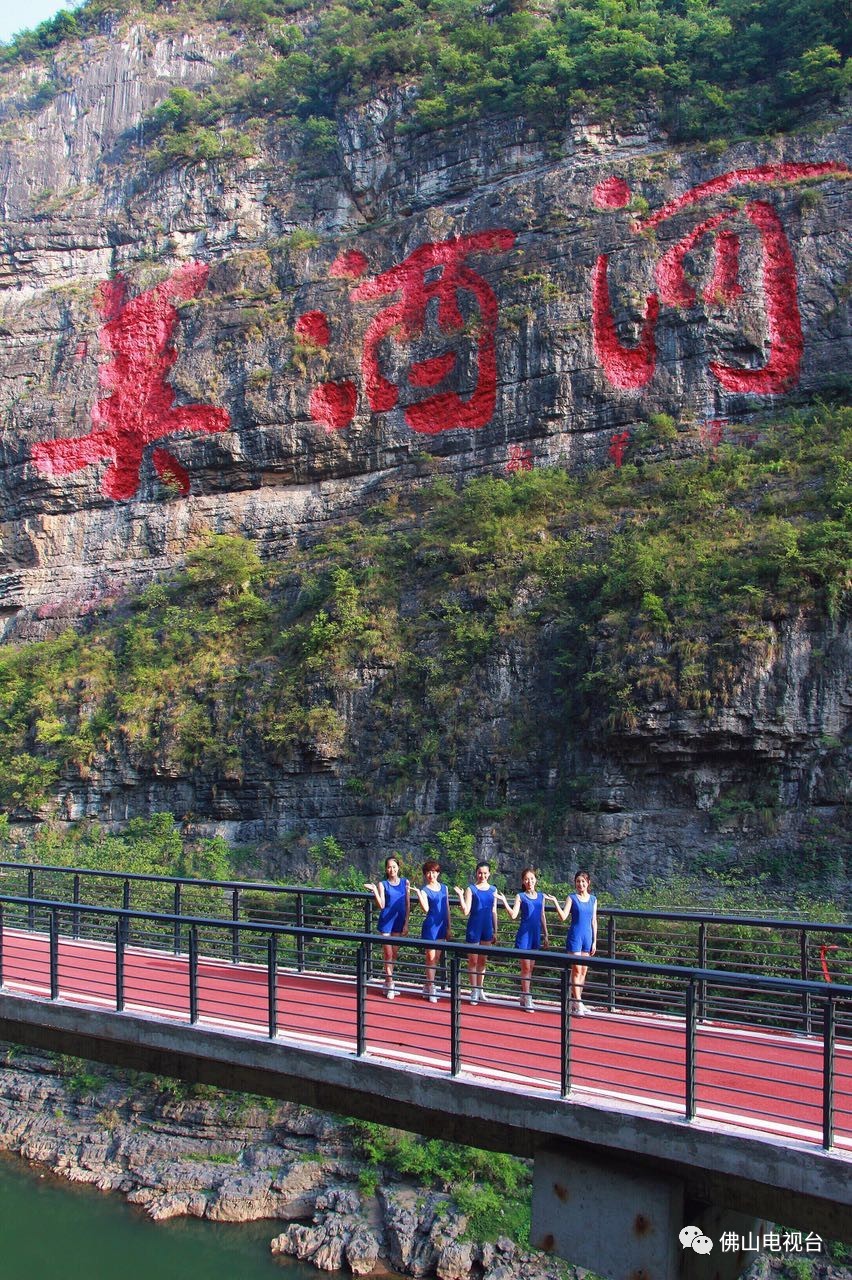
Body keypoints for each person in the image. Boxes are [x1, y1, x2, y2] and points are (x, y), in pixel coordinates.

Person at [547, 870, 597, 1015]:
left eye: (583, 881)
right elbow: (563, 916)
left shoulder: (593, 899)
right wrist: (556, 902)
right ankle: (579, 1003)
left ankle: (575, 1003)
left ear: (588, 883)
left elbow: (594, 920)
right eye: (578, 881)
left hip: (587, 937)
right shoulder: (572, 898)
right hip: (575, 936)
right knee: (576, 970)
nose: (580, 884)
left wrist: (594, 941)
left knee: (583, 971)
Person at [501, 867, 548, 1011]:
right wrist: (504, 900)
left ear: (536, 880)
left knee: (531, 968)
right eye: (527, 879)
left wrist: (546, 934)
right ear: (523, 881)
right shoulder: (520, 896)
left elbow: (542, 915)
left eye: (532, 879)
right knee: (526, 967)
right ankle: (527, 997)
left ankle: (523, 995)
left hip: (535, 934)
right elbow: (514, 915)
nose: (529, 881)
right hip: (524, 935)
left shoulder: (541, 896)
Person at [364, 856, 409, 998]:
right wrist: (375, 891)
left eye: (394, 867)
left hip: (399, 922)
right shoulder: (383, 884)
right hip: (386, 922)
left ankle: (387, 981)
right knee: (388, 954)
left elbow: (407, 904)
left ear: (398, 868)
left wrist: (406, 923)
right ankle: (390, 984)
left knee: (394, 954)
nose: (392, 869)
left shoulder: (405, 883)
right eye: (389, 867)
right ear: (386, 869)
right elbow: (381, 905)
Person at [453, 862, 498, 1003]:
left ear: (489, 874)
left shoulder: (493, 890)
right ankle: (473, 991)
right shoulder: (471, 889)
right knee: (472, 960)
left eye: (485, 873)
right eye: (480, 873)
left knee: (483, 961)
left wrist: (495, 930)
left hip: (487, 927)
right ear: (476, 873)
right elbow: (466, 911)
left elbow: (494, 911)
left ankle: (480, 989)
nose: (482, 875)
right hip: (474, 927)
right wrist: (460, 895)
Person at [409, 859, 451, 1002]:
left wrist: (449, 927)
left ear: (438, 873)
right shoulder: (424, 890)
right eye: (428, 872)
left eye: (433, 872)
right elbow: (426, 909)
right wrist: (419, 895)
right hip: (430, 927)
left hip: (442, 926)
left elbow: (447, 909)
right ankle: (432, 987)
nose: (431, 875)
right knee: (430, 957)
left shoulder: (444, 888)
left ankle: (427, 985)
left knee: (437, 958)